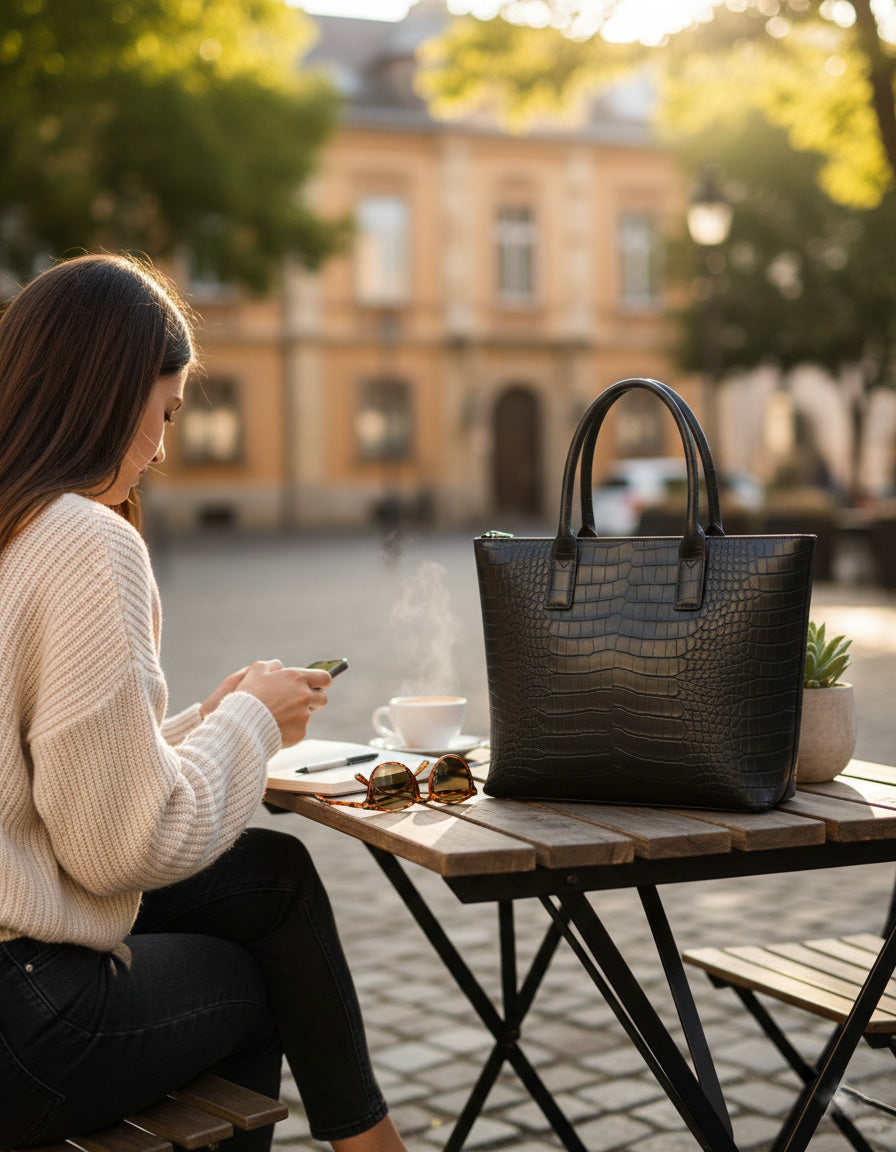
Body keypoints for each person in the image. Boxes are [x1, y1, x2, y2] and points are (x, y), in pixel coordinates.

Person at [0, 253, 408, 1152]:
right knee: (255, 980)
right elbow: (118, 847)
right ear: (106, 395)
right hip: (22, 1023)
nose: (161, 447)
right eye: (166, 412)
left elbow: (50, 779)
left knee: (270, 876)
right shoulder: (83, 540)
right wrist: (252, 724)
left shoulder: (15, 522)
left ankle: (375, 1146)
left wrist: (217, 720)